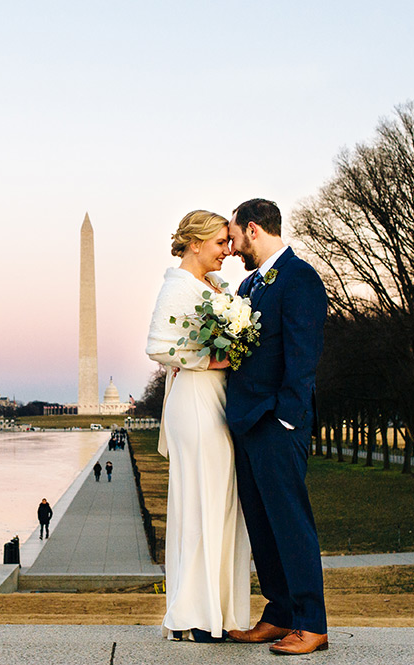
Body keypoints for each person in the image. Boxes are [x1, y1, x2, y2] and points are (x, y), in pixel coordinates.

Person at [224, 199, 328, 655]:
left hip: (277, 422)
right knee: (262, 527)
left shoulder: (299, 278)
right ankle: (280, 613)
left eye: (233, 236)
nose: (232, 247)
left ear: (253, 230)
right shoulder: (250, 284)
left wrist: (287, 417)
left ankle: (312, 623)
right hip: (248, 423)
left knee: (290, 524)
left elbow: (304, 355)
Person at [146, 209, 251, 643]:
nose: (228, 251)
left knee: (223, 503)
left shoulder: (218, 286)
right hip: (194, 398)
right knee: (200, 502)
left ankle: (220, 610)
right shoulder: (178, 287)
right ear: (194, 243)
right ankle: (193, 613)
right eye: (220, 243)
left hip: (219, 398)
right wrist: (210, 359)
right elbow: (158, 347)